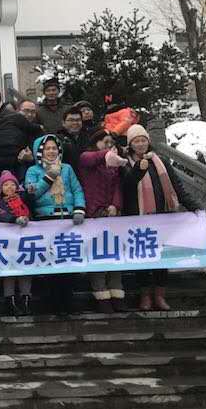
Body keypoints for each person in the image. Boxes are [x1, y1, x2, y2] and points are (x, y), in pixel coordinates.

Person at [122, 124, 200, 311]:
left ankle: (159, 296)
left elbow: (177, 187)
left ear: (148, 141)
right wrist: (139, 169)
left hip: (162, 217)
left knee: (162, 258)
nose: (140, 144)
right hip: (138, 218)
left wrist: (195, 207)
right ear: (130, 144)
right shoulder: (125, 163)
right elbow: (127, 187)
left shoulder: (161, 161)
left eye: (143, 140)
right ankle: (145, 297)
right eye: (136, 141)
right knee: (141, 258)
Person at [25, 134, 86, 314]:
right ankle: (53, 302)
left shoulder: (67, 169)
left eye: (54, 148)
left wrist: (79, 209)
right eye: (47, 149)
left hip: (67, 219)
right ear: (40, 152)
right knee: (50, 262)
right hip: (46, 220)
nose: (51, 151)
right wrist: (48, 177)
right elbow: (32, 194)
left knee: (68, 261)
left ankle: (68, 301)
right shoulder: (33, 170)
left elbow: (76, 189)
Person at [79, 129, 126, 313]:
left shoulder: (113, 164)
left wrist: (116, 204)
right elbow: (92, 158)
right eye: (104, 141)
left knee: (116, 254)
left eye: (110, 142)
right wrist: (108, 154)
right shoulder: (87, 157)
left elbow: (117, 186)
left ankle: (117, 292)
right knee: (97, 255)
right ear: (96, 142)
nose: (108, 145)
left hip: (112, 214)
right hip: (94, 213)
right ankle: (101, 294)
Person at [0, 171, 33, 316]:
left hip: (25, 241)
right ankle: (10, 302)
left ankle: (26, 300)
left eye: (12, 184)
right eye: (6, 185)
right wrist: (14, 220)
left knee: (26, 270)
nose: (9, 187)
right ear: (1, 188)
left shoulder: (23, 198)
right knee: (9, 271)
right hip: (8, 242)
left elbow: (31, 201)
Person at [0, 99, 43, 183]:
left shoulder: (39, 132)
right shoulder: (6, 128)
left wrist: (31, 159)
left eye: (33, 112)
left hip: (33, 177)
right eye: (26, 111)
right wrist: (18, 160)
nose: (30, 114)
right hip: (8, 177)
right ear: (18, 111)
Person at [56, 107, 87, 176]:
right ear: (63, 123)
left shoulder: (89, 137)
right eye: (71, 120)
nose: (75, 123)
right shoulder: (57, 139)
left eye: (78, 120)